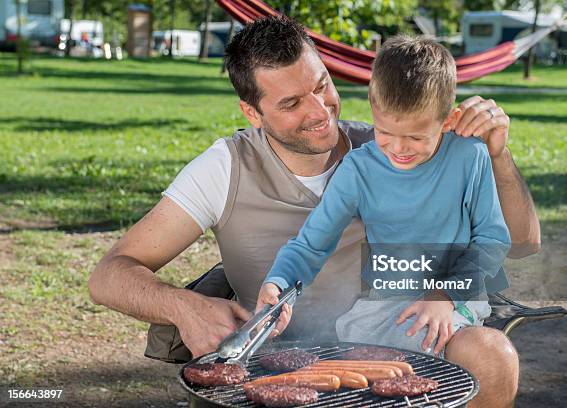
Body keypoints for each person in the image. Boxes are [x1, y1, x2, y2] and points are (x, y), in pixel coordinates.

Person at [89, 16, 539, 408]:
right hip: (283, 362)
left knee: (491, 354)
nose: (320, 111)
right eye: (290, 103)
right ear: (252, 112)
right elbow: (109, 275)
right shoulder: (224, 168)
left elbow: (520, 244)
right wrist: (184, 306)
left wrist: (497, 155)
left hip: (405, 332)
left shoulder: (393, 142)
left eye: (322, 84)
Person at [258, 35, 510, 359]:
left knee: (432, 351)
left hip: (456, 294)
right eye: (385, 132)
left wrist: (444, 295)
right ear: (373, 111)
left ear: (447, 121)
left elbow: (492, 240)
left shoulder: (469, 156)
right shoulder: (358, 170)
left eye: (416, 136)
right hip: (387, 300)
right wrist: (278, 283)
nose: (399, 148)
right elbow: (310, 244)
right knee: (359, 360)